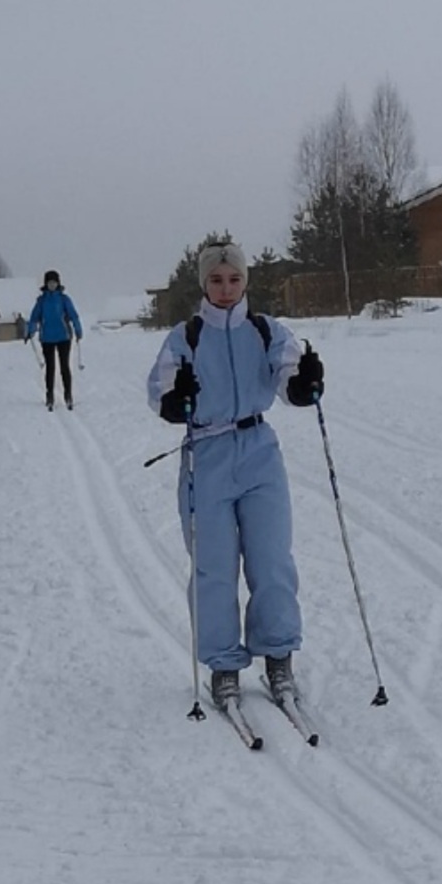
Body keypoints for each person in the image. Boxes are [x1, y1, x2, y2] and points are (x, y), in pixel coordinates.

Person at [147, 240, 323, 711]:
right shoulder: (187, 336)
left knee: (272, 557)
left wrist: (304, 384)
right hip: (208, 454)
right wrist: (177, 400)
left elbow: (288, 373)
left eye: (234, 279)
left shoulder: (265, 331)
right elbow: (161, 389)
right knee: (214, 565)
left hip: (259, 449)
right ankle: (223, 664)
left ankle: (278, 654)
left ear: (245, 281)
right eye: (216, 280)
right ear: (204, 284)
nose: (226, 289)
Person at [25, 269, 83, 410]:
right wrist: (30, 331)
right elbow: (34, 318)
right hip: (47, 338)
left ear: (58, 283)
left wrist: (78, 330)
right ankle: (49, 395)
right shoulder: (41, 301)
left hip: (63, 337)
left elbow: (73, 315)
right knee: (50, 368)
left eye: (54, 282)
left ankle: (68, 395)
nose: (52, 285)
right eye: (50, 282)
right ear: (46, 284)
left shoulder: (64, 299)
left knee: (64, 367)